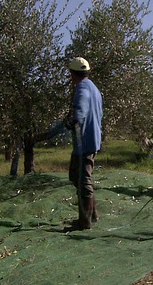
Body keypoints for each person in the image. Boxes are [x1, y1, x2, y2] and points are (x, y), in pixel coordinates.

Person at [64, 57, 103, 230]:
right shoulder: (94, 88)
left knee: (82, 180)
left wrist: (73, 121)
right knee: (76, 176)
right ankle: (92, 214)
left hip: (84, 142)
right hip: (92, 138)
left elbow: (80, 111)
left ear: (73, 74)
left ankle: (85, 222)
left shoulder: (82, 89)